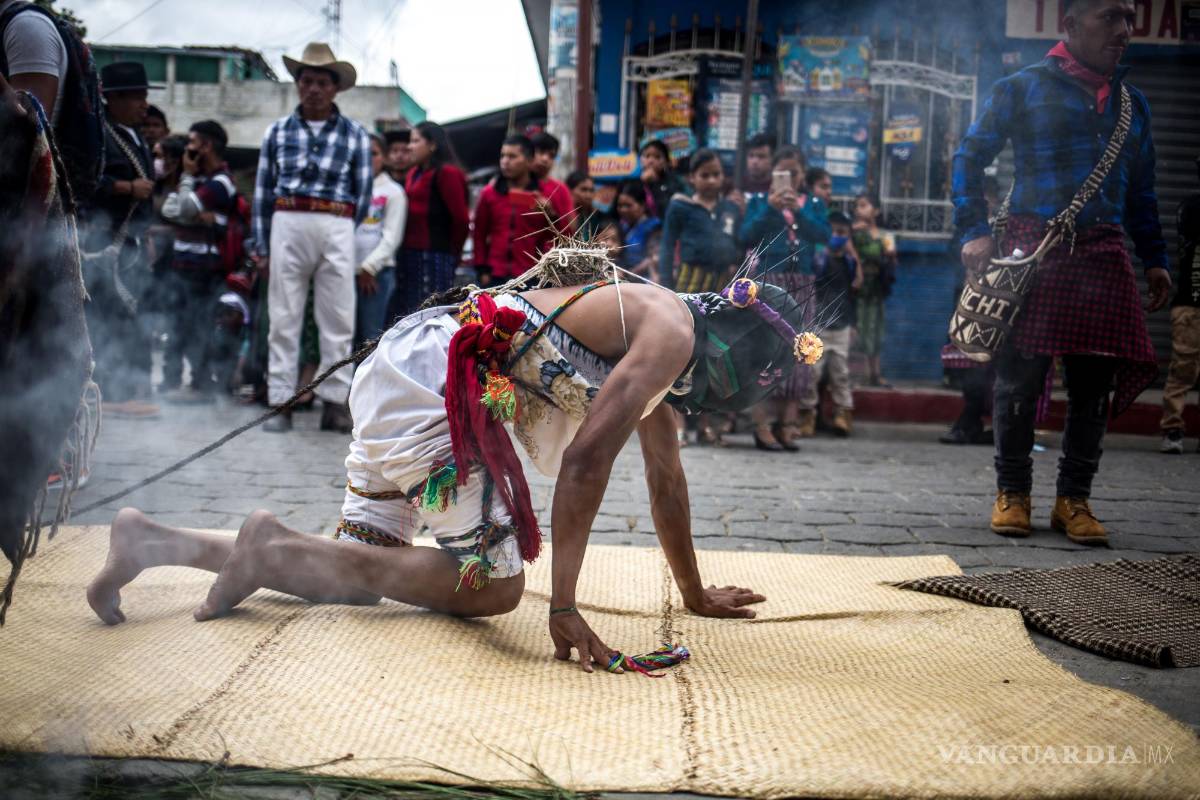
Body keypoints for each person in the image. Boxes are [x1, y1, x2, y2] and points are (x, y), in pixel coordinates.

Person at [86, 254, 832, 674]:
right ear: (732, 346)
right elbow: (583, 468)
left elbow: (668, 482)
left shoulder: (666, 337)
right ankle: (268, 545)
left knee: (350, 575)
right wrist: (563, 607)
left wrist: (695, 592)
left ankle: (156, 541)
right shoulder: (669, 331)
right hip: (433, 387)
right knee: (497, 587)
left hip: (406, 369)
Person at [952, 0, 1171, 545]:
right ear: (1070, 25)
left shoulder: (1131, 104)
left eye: (1128, 19)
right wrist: (974, 228)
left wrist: (1157, 258)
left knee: (1094, 386)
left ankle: (1074, 500)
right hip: (1034, 248)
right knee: (1020, 379)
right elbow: (967, 157)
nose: (1124, 30)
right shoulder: (1021, 87)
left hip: (1103, 251)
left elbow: (1142, 193)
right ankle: (1014, 494)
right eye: (1110, 17)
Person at [250, 42, 372, 434]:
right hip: (287, 219)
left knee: (337, 317)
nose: (314, 88)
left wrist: (343, 232)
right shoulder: (277, 132)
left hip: (336, 221)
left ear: (335, 88)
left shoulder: (356, 135)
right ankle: (281, 400)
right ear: (298, 84)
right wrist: (261, 244)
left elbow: (363, 191)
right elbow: (262, 191)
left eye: (322, 81)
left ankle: (335, 403)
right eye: (307, 80)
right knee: (283, 315)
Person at [739, 146, 831, 450]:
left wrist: (800, 212)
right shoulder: (758, 203)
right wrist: (771, 208)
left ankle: (789, 422)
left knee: (800, 351)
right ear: (773, 175)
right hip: (768, 281)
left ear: (803, 175)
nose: (790, 179)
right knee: (763, 351)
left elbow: (822, 235)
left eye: (795, 173)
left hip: (802, 282)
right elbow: (746, 235)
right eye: (784, 173)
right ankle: (761, 423)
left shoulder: (814, 204)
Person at [82, 61, 159, 419]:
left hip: (131, 245)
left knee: (132, 315)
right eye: (136, 97)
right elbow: (84, 184)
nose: (144, 104)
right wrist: (127, 187)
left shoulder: (137, 138)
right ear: (113, 99)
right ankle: (111, 390)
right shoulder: (98, 135)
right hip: (102, 244)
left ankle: (128, 387)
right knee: (109, 318)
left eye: (144, 96)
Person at [159, 120, 239, 403]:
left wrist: (187, 187)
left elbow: (184, 206)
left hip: (206, 269)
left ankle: (201, 384)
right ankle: (170, 381)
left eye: (193, 142)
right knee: (177, 324)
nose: (187, 149)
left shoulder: (221, 182)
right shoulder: (197, 180)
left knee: (200, 326)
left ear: (207, 145)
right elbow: (171, 210)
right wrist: (189, 207)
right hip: (183, 264)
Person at [392, 120, 469, 319]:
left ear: (432, 145)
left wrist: (454, 255)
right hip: (410, 255)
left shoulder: (447, 173)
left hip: (436, 257)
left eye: (415, 141)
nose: (410, 146)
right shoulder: (414, 173)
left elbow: (460, 219)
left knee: (430, 314)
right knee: (409, 313)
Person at [472, 134, 571, 286]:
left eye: (512, 156)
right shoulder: (489, 193)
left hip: (531, 276)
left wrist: (550, 214)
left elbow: (560, 237)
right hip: (494, 275)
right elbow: (479, 234)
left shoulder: (544, 195)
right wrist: (481, 270)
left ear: (529, 161)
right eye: (503, 156)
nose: (505, 161)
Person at [801, 211, 862, 437]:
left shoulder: (849, 262)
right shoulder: (818, 260)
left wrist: (853, 323)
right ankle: (807, 415)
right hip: (819, 324)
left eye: (842, 233)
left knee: (840, 373)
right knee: (812, 373)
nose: (837, 236)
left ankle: (843, 414)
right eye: (834, 232)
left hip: (842, 324)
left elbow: (852, 293)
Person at [1160, 155, 1200, 455]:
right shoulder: (1192, 207)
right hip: (1191, 302)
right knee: (1184, 366)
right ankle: (1172, 428)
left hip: (1189, 302)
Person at [353, 133, 407, 347]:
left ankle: (366, 381)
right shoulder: (349, 188)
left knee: (370, 338)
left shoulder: (393, 192)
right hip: (344, 272)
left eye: (373, 153)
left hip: (376, 275)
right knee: (343, 336)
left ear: (384, 158)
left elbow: (392, 237)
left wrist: (369, 267)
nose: (367, 158)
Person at [851, 194, 897, 388]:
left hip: (877, 286)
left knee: (876, 328)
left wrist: (891, 256)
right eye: (857, 206)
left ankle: (875, 373)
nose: (859, 210)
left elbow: (893, 259)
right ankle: (860, 374)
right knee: (859, 327)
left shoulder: (885, 236)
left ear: (876, 211)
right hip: (858, 288)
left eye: (864, 205)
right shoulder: (852, 233)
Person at [615, 182, 661, 276]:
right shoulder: (622, 227)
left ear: (642, 206)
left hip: (646, 280)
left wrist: (629, 273)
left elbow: (654, 257)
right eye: (620, 205)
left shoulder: (654, 226)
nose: (623, 209)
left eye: (628, 205)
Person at [637, 138, 688, 220]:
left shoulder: (675, 182)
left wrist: (655, 183)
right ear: (640, 159)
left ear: (666, 162)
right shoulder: (632, 180)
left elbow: (668, 211)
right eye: (647, 156)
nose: (651, 161)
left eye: (657, 157)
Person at [529, 130, 572, 214]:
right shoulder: (514, 183)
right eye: (540, 152)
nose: (545, 159)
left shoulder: (560, 190)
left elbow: (571, 226)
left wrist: (550, 213)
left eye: (551, 156)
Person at [566, 170, 603, 240]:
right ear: (569, 190)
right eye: (583, 190)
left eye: (591, 190)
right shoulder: (563, 216)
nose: (588, 195)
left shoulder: (597, 218)